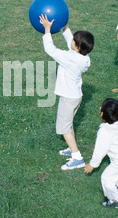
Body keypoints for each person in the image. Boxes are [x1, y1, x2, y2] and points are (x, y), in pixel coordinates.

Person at [39, 14, 94, 170]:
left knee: (64, 127)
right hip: (76, 96)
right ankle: (71, 148)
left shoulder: (69, 58)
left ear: (76, 46)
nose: (71, 40)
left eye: (73, 40)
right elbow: (74, 42)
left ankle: (77, 157)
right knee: (69, 123)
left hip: (68, 98)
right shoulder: (84, 57)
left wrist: (47, 30)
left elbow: (50, 49)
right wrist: (65, 28)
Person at [84, 98, 118, 209]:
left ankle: (115, 200)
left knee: (106, 178)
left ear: (102, 113)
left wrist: (92, 165)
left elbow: (99, 151)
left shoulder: (105, 132)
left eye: (101, 106)